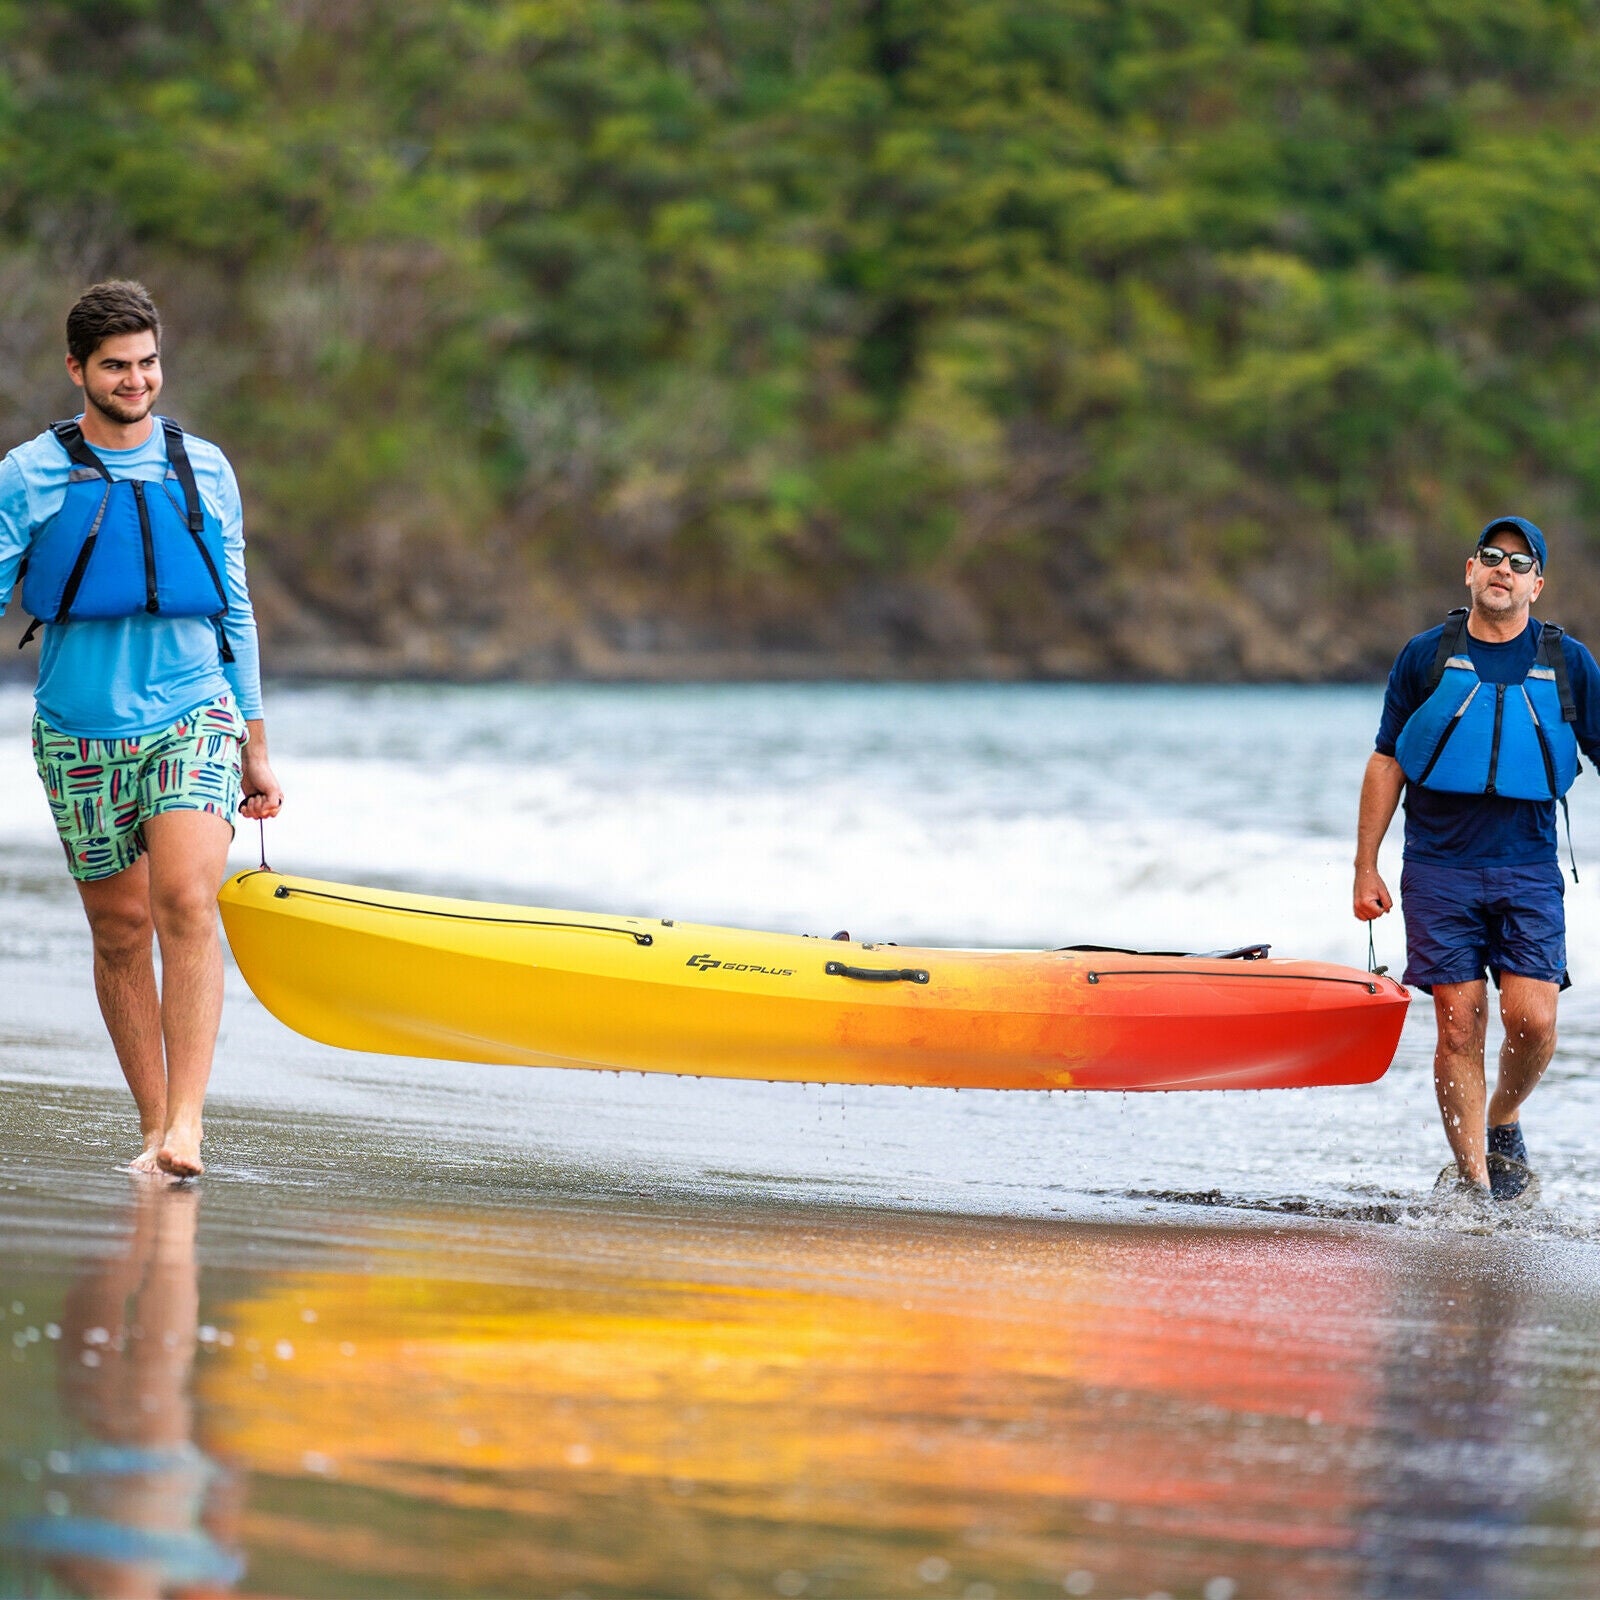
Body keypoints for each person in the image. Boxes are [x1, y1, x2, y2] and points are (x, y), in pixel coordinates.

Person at [0, 280, 282, 1179]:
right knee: (119, 931)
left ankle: (189, 1125)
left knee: (187, 904)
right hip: (77, 731)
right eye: (116, 366)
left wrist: (255, 742)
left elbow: (234, 605)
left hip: (191, 713)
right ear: (78, 368)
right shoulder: (27, 476)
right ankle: (155, 1127)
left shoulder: (204, 468)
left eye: (148, 362)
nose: (136, 380)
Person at [1354, 517, 1600, 1200]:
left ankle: (1505, 1115)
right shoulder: (1425, 656)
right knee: (1457, 1023)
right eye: (1492, 557)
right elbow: (1386, 760)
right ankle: (1476, 1183)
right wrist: (1365, 865)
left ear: (1537, 585)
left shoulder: (1568, 663)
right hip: (1438, 866)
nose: (1503, 569)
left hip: (1527, 866)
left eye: (1520, 563)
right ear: (1470, 571)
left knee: (1535, 1019)